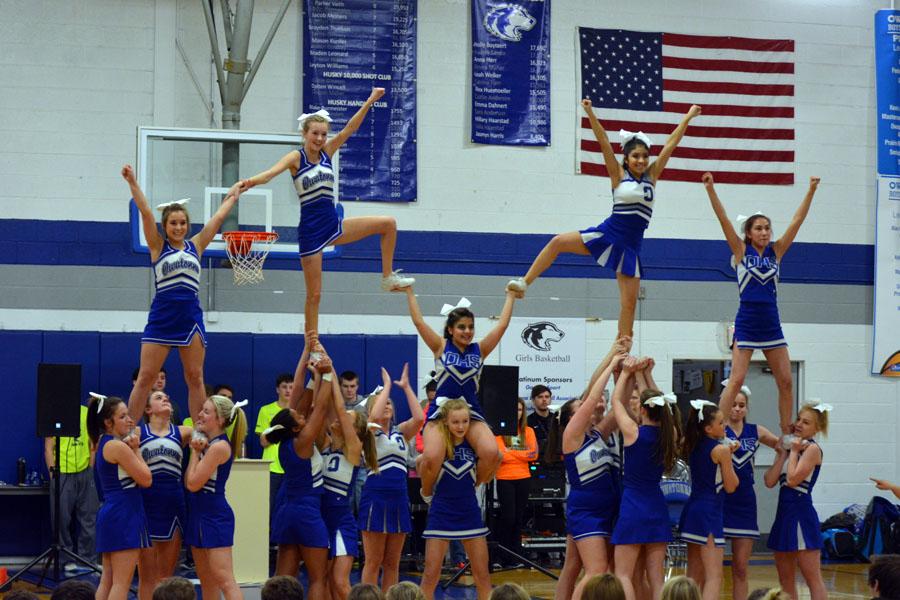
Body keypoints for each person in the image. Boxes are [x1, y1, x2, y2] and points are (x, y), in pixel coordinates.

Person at [507, 100, 702, 338]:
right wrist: (589, 112)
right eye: (635, 156)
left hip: (630, 247)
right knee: (558, 241)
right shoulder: (618, 176)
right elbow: (604, 143)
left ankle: (623, 347)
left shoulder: (652, 176)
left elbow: (670, 144)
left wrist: (688, 117)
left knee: (629, 305)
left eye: (644, 156)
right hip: (608, 234)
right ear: (627, 159)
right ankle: (525, 282)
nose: (641, 160)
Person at [237, 87, 414, 336]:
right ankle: (312, 344)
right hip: (311, 233)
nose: (320, 139)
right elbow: (269, 175)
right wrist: (244, 184)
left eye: (323, 134)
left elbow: (350, 129)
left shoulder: (327, 154)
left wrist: (370, 100)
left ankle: (387, 276)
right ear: (305, 134)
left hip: (333, 225)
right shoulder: (295, 158)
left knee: (388, 223)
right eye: (315, 134)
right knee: (315, 294)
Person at [122, 164, 242, 427]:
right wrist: (132, 183)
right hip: (163, 317)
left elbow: (218, 219)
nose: (178, 227)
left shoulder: (196, 245)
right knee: (145, 377)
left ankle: (200, 430)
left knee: (195, 377)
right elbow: (144, 210)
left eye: (182, 223)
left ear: (188, 225)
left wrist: (233, 195)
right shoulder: (157, 247)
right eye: (173, 223)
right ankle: (128, 430)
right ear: (165, 226)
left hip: (190, 317)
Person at [703, 172, 821, 434]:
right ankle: (717, 429)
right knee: (736, 380)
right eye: (759, 228)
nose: (765, 232)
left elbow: (797, 221)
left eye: (767, 228)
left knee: (787, 381)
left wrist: (811, 190)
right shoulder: (740, 251)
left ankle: (785, 432)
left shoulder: (776, 251)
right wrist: (710, 189)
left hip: (771, 324)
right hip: (746, 322)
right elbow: (722, 219)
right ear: (748, 232)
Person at [403, 287, 520, 500]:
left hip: (471, 411)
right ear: (450, 329)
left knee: (492, 453)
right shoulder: (440, 346)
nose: (467, 331)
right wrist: (410, 293)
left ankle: (471, 487)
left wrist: (510, 296)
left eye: (471, 327)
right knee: (431, 456)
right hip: (441, 412)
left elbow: (502, 326)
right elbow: (419, 322)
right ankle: (427, 494)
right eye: (461, 327)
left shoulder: (480, 349)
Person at [610, 358, 680, 600]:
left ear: (641, 408)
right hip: (656, 506)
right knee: (656, 578)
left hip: (633, 507)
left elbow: (615, 402)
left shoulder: (633, 432)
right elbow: (663, 408)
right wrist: (644, 374)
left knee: (624, 575)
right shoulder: (670, 434)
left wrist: (627, 373)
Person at [265, 342, 330, 599]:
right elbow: (321, 408)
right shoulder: (303, 443)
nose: (303, 415)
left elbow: (301, 400)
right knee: (318, 578)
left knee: (283, 581)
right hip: (306, 511)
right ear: (294, 427)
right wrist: (326, 373)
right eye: (300, 418)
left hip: (286, 511)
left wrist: (310, 368)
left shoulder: (285, 443)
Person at [559, 349, 622, 600]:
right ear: (570, 418)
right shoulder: (571, 437)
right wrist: (612, 364)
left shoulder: (598, 434)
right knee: (596, 571)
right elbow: (592, 396)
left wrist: (622, 375)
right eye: (580, 409)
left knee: (572, 567)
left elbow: (620, 407)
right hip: (587, 511)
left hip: (607, 510)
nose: (589, 410)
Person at [358, 365, 425, 591]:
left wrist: (405, 388)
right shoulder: (370, 430)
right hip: (375, 498)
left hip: (399, 499)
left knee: (392, 563)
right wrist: (386, 387)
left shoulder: (400, 433)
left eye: (388, 402)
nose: (386, 405)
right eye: (381, 402)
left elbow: (419, 418)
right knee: (373, 561)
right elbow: (375, 415)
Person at [420, 399, 491, 600]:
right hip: (441, 511)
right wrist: (426, 492)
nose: (461, 426)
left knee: (482, 575)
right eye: (456, 422)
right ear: (446, 423)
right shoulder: (439, 446)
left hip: (469, 511)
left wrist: (479, 482)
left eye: (465, 421)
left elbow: (492, 462)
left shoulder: (475, 446)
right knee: (430, 575)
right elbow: (422, 464)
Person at [87, 394, 152, 600]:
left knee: (108, 580)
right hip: (123, 514)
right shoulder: (117, 446)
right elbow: (146, 478)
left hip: (114, 512)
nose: (130, 420)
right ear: (108, 422)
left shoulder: (105, 443)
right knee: (121, 584)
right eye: (123, 416)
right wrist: (136, 448)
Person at [183, 394, 248, 600]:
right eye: (202, 410)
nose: (200, 415)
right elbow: (188, 481)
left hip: (214, 516)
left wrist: (194, 452)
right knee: (206, 581)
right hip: (198, 514)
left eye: (206, 411)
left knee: (225, 580)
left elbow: (193, 484)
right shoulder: (208, 443)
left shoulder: (219, 447)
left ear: (219, 420)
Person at [764, 402, 830, 600]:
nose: (799, 424)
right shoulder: (792, 447)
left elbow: (792, 480)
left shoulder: (812, 449)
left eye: (806, 422)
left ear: (817, 429)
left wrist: (793, 451)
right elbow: (769, 481)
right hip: (784, 514)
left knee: (813, 579)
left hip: (801, 515)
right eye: (799, 419)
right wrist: (784, 452)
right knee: (785, 580)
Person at [322, 372, 378, 600]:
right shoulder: (326, 443)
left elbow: (336, 404)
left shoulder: (354, 449)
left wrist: (331, 372)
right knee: (324, 580)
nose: (341, 417)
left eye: (347, 417)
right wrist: (319, 375)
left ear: (354, 430)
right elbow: (324, 407)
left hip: (340, 521)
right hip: (320, 518)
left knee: (339, 581)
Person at [722, 383, 779, 600]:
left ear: (747, 408)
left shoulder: (756, 431)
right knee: (714, 568)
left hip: (745, 502)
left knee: (741, 568)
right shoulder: (718, 430)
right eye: (734, 404)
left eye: (741, 405)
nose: (737, 409)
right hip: (720, 500)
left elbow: (781, 445)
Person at [678, 401, 739, 600]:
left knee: (693, 576)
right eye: (721, 423)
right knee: (714, 577)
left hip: (693, 510)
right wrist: (728, 457)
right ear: (708, 428)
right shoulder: (720, 451)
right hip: (709, 513)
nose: (725, 427)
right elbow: (731, 486)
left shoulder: (693, 444)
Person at [138, 391, 192, 600]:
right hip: (146, 503)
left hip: (173, 502)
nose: (166, 399)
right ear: (148, 409)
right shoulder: (137, 432)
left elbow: (208, 432)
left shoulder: (184, 432)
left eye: (167, 397)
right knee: (146, 577)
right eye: (159, 398)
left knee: (166, 577)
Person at [43, 399, 99, 574]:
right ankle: (66, 560)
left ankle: (88, 559)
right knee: (61, 519)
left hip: (84, 472)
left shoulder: (85, 413)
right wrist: (53, 474)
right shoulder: (54, 413)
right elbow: (48, 446)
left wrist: (90, 468)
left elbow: (93, 444)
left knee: (89, 517)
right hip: (62, 473)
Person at [493, 397, 537, 568]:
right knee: (507, 517)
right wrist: (520, 454)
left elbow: (533, 455)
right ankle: (500, 557)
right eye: (514, 410)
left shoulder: (529, 431)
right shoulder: (499, 432)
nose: (516, 413)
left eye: (519, 410)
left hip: (523, 478)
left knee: (518, 519)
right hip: (505, 479)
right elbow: (500, 455)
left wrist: (511, 453)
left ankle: (515, 557)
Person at [255, 372, 295, 532]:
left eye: (291, 387)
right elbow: (263, 442)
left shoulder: (297, 412)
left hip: (292, 467)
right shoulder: (266, 410)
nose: (288, 390)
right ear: (277, 389)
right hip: (272, 467)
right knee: (270, 507)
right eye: (284, 387)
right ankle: (270, 543)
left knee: (290, 507)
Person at [527, 385, 554, 460]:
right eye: (540, 397)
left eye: (547, 397)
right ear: (533, 400)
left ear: (550, 399)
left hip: (556, 463)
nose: (544, 399)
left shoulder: (557, 419)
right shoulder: (527, 422)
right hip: (537, 461)